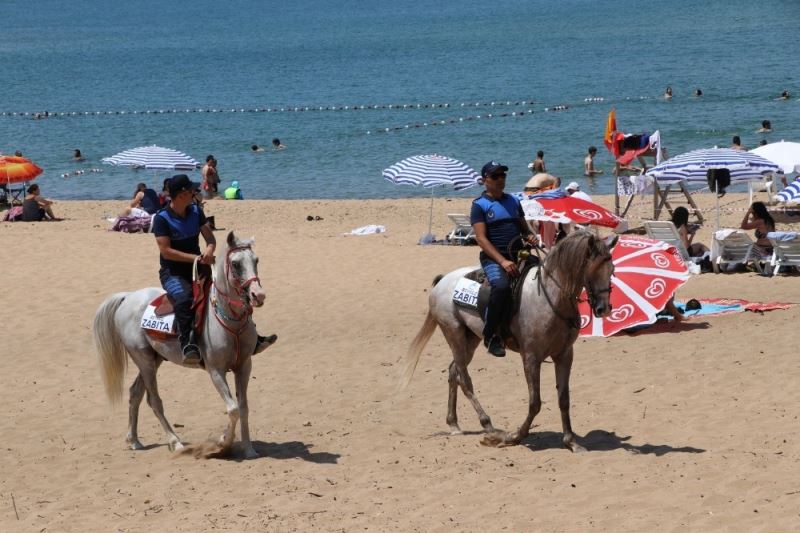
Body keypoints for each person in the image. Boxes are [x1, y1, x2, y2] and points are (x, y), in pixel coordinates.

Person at [471, 161, 537, 357]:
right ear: (485, 180)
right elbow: (481, 239)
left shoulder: (514, 201)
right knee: (501, 287)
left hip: (519, 254)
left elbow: (524, 229)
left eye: (503, 175)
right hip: (494, 259)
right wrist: (502, 261)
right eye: (495, 176)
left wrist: (530, 237)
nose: (500, 179)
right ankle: (491, 335)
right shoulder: (479, 205)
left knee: (546, 274)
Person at [152, 175, 217, 365]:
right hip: (173, 272)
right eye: (191, 190)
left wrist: (209, 251)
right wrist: (196, 258)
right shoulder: (161, 219)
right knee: (184, 299)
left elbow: (210, 239)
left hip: (199, 266)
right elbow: (166, 251)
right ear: (181, 195)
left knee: (228, 287)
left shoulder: (196, 211)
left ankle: (250, 335)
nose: (194, 193)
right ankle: (187, 344)